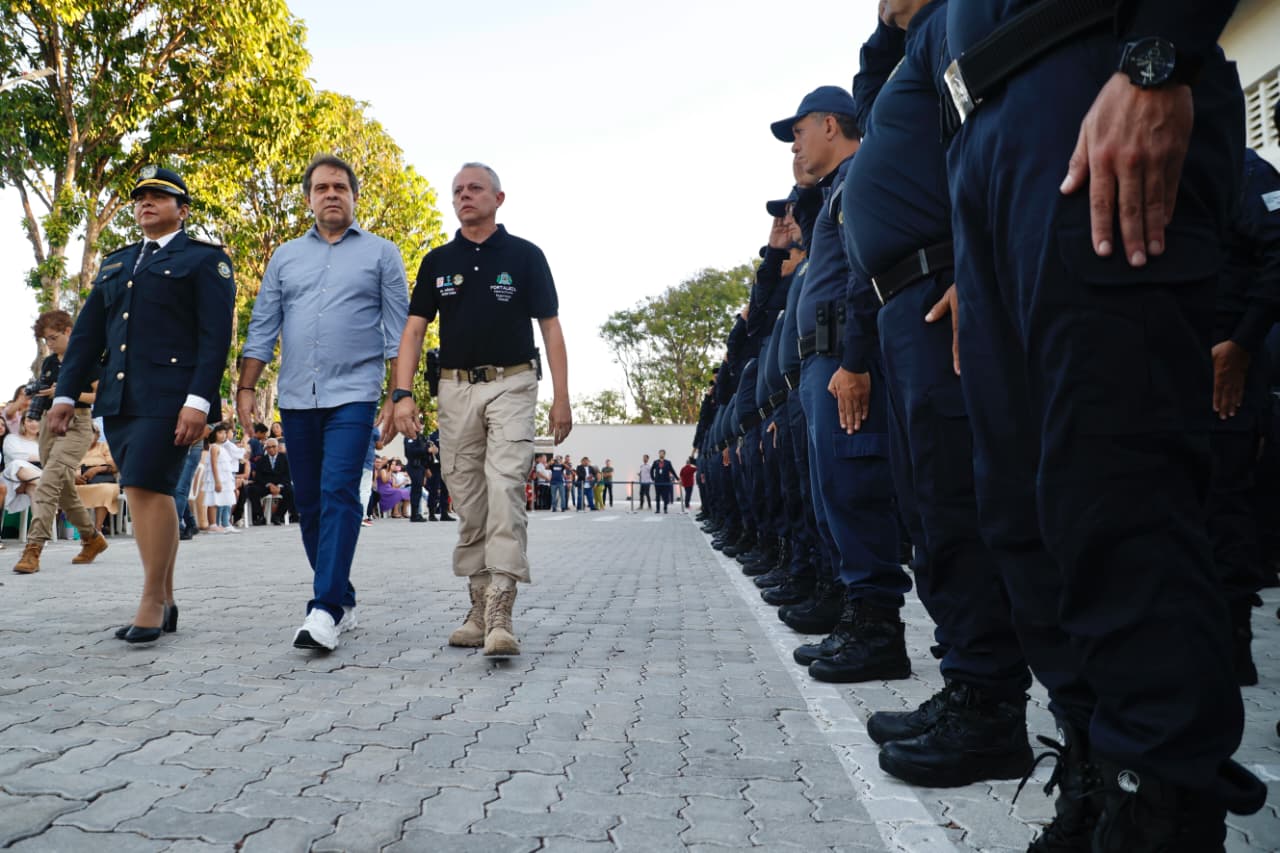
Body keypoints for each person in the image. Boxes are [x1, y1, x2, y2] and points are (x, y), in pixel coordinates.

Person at [944, 1, 1265, 844]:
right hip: (994, 131)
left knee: (1113, 492)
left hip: (1093, 77)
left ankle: (1157, 805)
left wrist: (1161, 51)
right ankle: (1100, 779)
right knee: (1022, 513)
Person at [46, 165, 235, 643]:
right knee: (142, 490)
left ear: (182, 210)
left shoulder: (203, 261)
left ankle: (151, 600)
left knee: (147, 487)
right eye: (141, 197)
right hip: (120, 397)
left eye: (159, 196)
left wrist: (199, 401)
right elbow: (87, 335)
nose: (146, 202)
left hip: (173, 398)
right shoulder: (117, 262)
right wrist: (66, 394)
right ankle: (166, 598)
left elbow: (215, 339)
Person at [391, 161, 571, 657]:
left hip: (512, 383)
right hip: (454, 390)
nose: (465, 196)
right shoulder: (436, 261)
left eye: (475, 189)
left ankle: (500, 613)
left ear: (499, 198)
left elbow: (551, 327)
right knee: (468, 496)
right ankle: (476, 603)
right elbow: (414, 330)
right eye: (457, 190)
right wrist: (401, 394)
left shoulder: (526, 256)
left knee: (506, 486)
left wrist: (562, 396)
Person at [238, 153, 408, 652]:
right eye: (321, 188)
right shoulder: (286, 257)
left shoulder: (382, 254)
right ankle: (342, 596)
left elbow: (399, 331)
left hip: (354, 395)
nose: (331, 194)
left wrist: (400, 395)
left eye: (340, 187)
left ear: (354, 196)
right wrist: (246, 388)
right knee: (308, 503)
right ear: (309, 198)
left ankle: (325, 609)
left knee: (338, 493)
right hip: (296, 395)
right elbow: (263, 325)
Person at [772, 85, 912, 685]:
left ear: (831, 124)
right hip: (820, 365)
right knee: (833, 493)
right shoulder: (830, 194)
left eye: (799, 131)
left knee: (854, 491)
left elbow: (863, 276)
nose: (795, 144)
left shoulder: (858, 182)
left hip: (840, 361)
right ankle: (857, 616)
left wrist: (853, 360)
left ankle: (878, 629)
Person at [11, 310, 109, 574]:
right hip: (48, 424)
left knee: (49, 481)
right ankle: (92, 538)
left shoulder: (87, 358)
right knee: (63, 488)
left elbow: (101, 395)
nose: (49, 344)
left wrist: (66, 391)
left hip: (77, 424)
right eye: (45, 340)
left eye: (53, 338)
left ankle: (33, 549)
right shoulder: (50, 362)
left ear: (68, 331)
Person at [75, 426, 119, 535]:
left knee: (106, 489)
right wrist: (74, 477)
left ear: (97, 435)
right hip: (77, 482)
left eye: (91, 433)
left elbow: (114, 466)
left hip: (101, 481)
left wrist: (96, 469)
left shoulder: (103, 447)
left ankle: (97, 529)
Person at [203, 423, 242, 533]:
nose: (223, 435)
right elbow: (214, 464)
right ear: (214, 434)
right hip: (217, 478)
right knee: (213, 501)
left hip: (224, 478)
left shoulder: (222, 447)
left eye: (225, 433)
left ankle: (222, 523)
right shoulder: (214, 447)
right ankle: (213, 524)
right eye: (220, 433)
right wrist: (217, 481)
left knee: (221, 500)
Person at [2, 415, 43, 514]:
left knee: (33, 488)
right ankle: (51, 485)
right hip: (14, 483)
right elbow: (18, 455)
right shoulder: (11, 438)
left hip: (33, 482)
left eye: (37, 420)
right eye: (30, 420)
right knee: (17, 464)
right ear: (23, 423)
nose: (34, 424)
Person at [251, 437, 293, 524]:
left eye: (274, 446)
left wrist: (280, 486)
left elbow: (288, 475)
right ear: (266, 449)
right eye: (269, 447)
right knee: (252, 490)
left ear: (278, 447)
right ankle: (260, 516)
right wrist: (269, 485)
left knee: (291, 491)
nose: (271, 449)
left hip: (280, 485)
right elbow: (258, 477)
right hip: (266, 485)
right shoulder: (261, 460)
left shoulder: (285, 459)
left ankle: (278, 516)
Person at [403, 420, 429, 522]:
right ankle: (414, 514)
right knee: (415, 490)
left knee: (418, 490)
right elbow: (410, 452)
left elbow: (424, 450)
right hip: (413, 465)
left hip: (420, 466)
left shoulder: (421, 437)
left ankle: (417, 513)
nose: (419, 426)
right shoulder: (409, 436)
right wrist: (426, 450)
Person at [650, 449, 676, 514]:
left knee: (665, 496)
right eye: (660, 453)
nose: (661, 454)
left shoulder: (668, 462)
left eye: (662, 453)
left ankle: (665, 509)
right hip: (657, 482)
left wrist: (677, 478)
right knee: (657, 496)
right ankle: (658, 509)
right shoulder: (655, 462)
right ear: (659, 454)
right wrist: (653, 478)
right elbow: (651, 470)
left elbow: (672, 470)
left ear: (664, 454)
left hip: (665, 482)